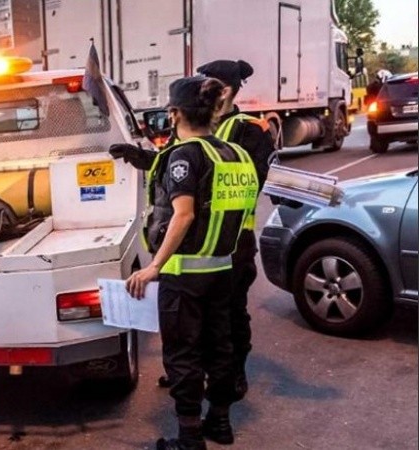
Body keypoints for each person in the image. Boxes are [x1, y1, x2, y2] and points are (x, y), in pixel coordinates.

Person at [121, 76, 258, 450]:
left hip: (185, 274)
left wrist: (154, 266)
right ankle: (220, 422)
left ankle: (189, 438)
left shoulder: (184, 155)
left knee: (184, 354)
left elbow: (184, 214)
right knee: (221, 348)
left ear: (175, 114)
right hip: (223, 268)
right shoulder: (236, 154)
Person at [196, 59, 277, 403]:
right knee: (198, 313)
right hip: (197, 242)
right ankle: (198, 369)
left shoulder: (251, 129)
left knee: (230, 313)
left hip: (234, 242)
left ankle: (234, 372)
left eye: (206, 84)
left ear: (225, 90)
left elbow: (258, 181)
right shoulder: (194, 125)